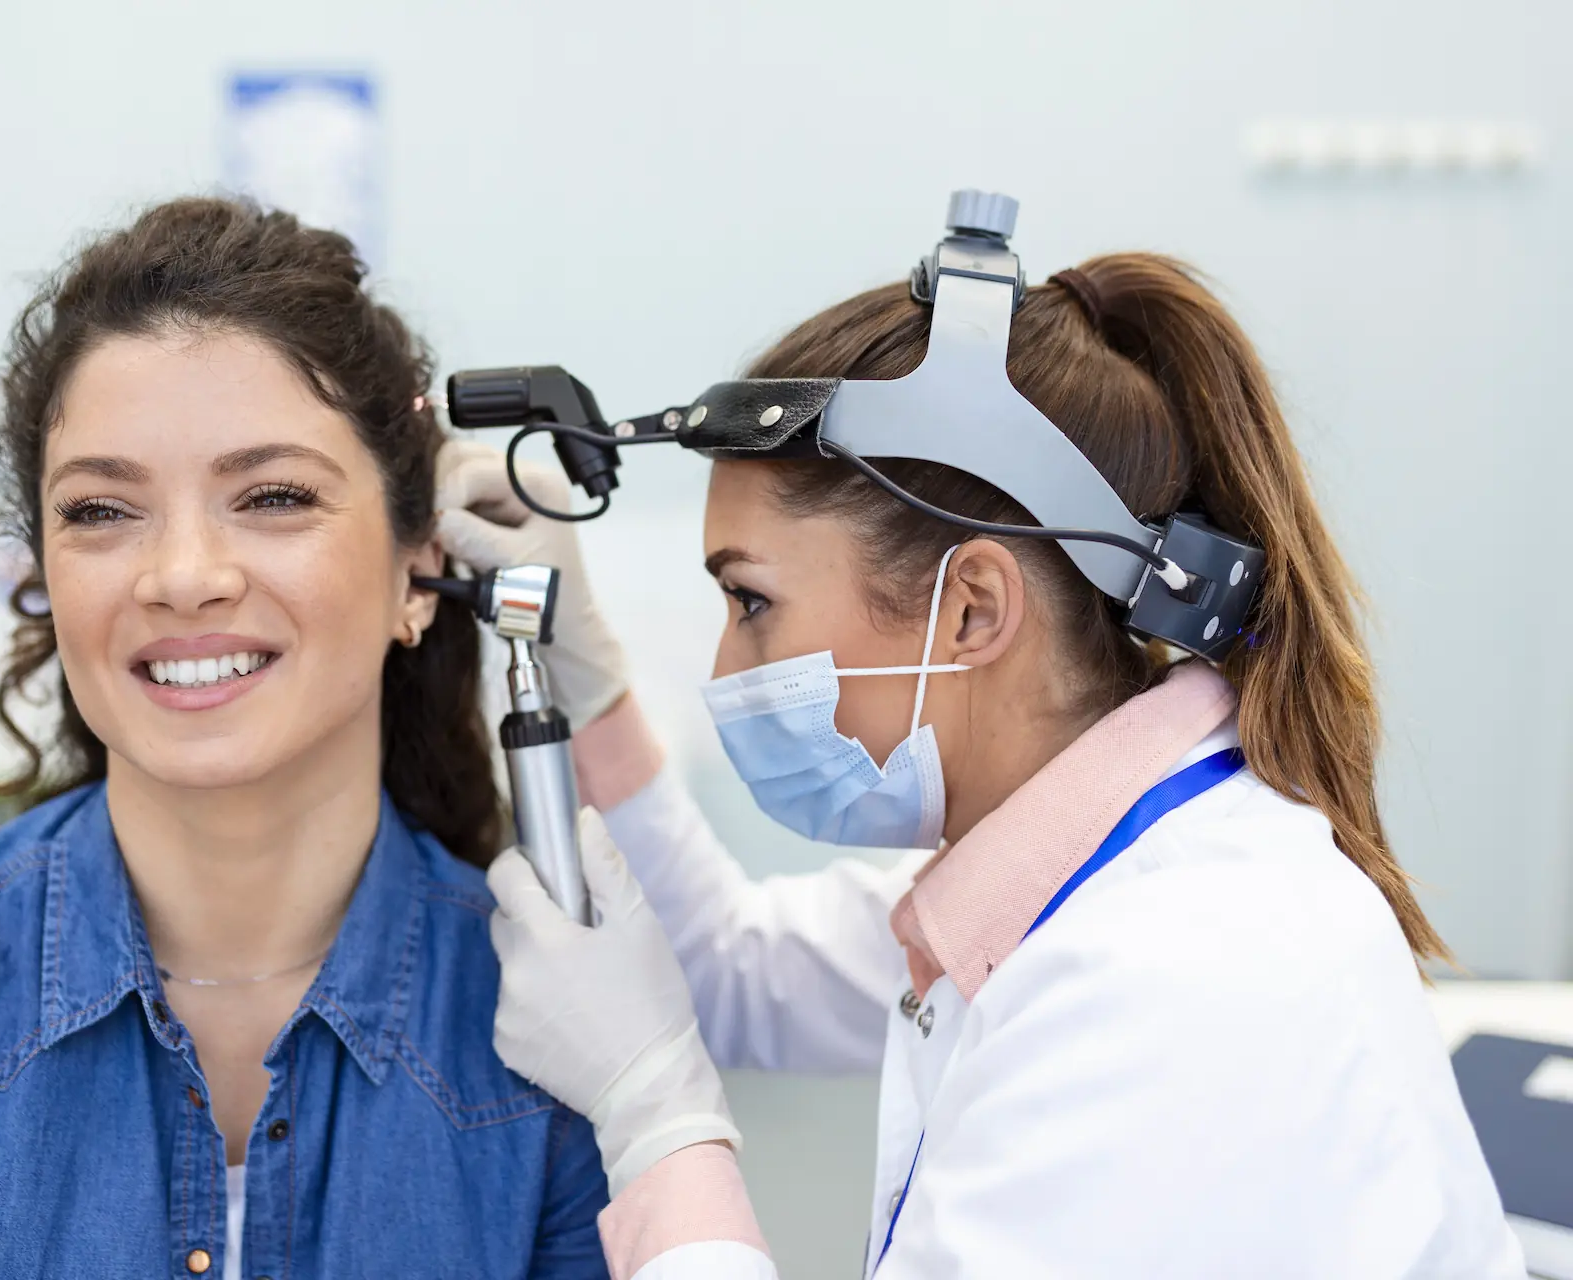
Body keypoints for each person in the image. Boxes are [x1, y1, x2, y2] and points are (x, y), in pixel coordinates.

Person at [438, 253, 1527, 1277]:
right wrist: (584, 668)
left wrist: (654, 1112)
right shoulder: (1077, 871)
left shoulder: (1174, 976)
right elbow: (726, 967)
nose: (728, 668)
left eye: (753, 603)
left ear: (972, 609)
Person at [0, 198, 610, 1278]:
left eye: (274, 494)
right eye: (103, 511)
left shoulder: (559, 1029)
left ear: (416, 575)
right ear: (44, 579)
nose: (185, 575)